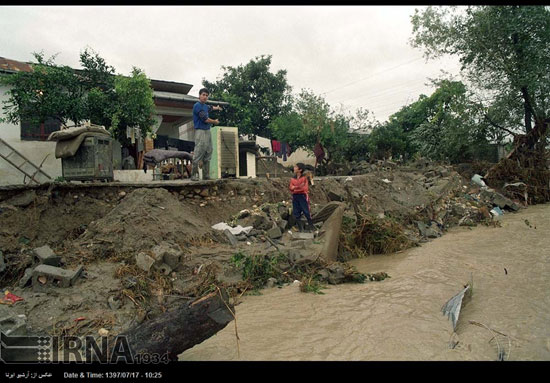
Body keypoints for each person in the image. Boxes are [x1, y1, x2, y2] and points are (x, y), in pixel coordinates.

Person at [190, 88, 222, 181]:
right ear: (199, 96)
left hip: (207, 131)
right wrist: (214, 121)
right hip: (200, 131)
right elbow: (205, 119)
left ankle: (206, 175)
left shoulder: (205, 106)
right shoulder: (197, 106)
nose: (205, 97)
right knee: (199, 152)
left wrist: (217, 107)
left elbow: (210, 108)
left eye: (206, 95)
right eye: (203, 95)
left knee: (208, 151)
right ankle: (193, 175)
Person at [289, 162, 315, 232]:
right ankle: (301, 229)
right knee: (296, 212)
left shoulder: (304, 178)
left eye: (295, 167)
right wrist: (298, 187)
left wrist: (295, 187)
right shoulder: (292, 179)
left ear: (300, 170)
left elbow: (304, 189)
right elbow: (290, 187)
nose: (294, 168)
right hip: (295, 196)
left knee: (306, 211)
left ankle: (311, 227)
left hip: (302, 196)